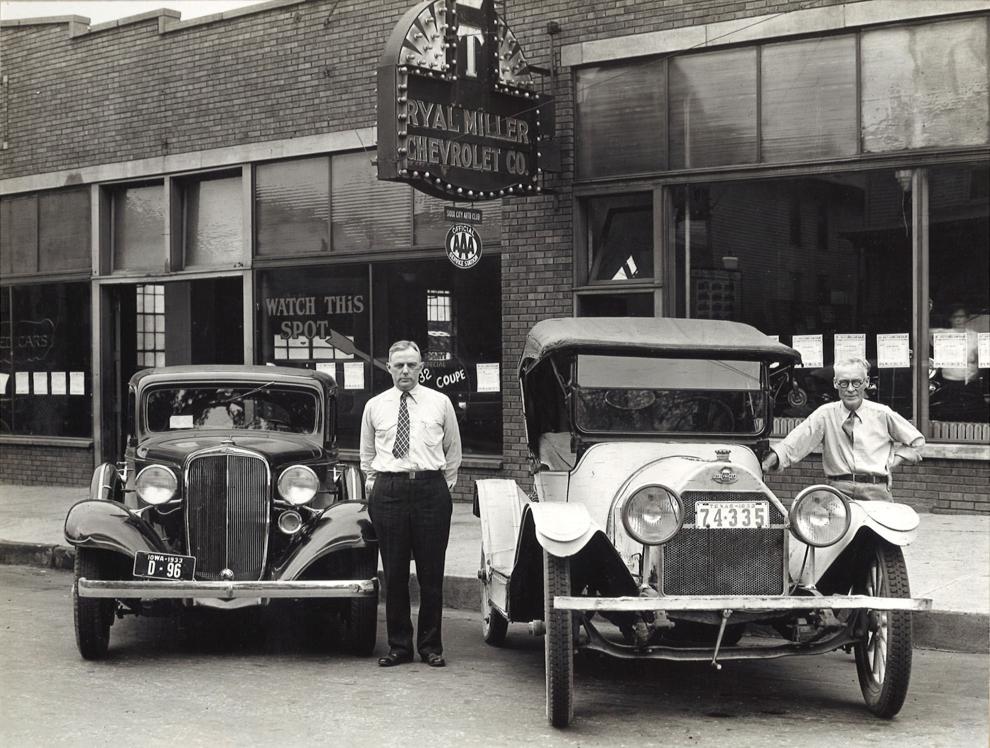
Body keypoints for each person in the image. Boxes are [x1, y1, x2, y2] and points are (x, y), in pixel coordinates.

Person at [360, 340, 462, 668]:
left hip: (430, 490)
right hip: (389, 491)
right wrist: (377, 487)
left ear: (421, 367)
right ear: (388, 367)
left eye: (412, 365)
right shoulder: (375, 406)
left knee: (432, 572)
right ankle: (399, 646)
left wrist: (439, 488)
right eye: (399, 365)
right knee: (395, 572)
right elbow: (367, 456)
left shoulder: (440, 403)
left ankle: (431, 646)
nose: (405, 371)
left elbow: (452, 452)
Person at [760, 357, 924, 501]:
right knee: (829, 534)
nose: (850, 389)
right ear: (835, 383)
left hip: (876, 491)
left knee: (880, 536)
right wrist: (771, 459)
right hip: (838, 492)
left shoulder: (882, 414)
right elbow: (796, 441)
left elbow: (916, 441)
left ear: (866, 382)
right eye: (844, 383)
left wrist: (891, 464)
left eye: (856, 382)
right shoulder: (825, 414)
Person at [937, 304, 982, 421]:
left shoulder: (974, 336)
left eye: (961, 316)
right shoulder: (942, 334)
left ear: (967, 318)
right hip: (949, 382)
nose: (958, 319)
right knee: (950, 413)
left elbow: (981, 358)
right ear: (950, 319)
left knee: (974, 413)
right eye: (954, 316)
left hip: (971, 381)